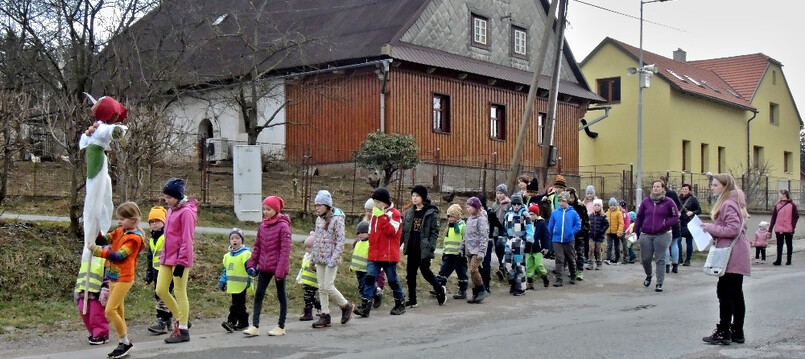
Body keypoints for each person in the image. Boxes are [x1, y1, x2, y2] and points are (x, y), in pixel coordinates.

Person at [88, 202, 145, 358]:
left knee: (110, 310)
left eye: (122, 219)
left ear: (133, 220)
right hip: (113, 277)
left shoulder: (134, 239)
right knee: (119, 310)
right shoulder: (120, 231)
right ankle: (125, 341)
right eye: (118, 218)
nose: (119, 222)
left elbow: (119, 256)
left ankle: (124, 342)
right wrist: (94, 230)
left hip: (124, 278)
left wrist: (97, 251)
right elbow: (105, 239)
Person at [701, 173, 751, 345]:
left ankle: (723, 332)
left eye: (715, 185)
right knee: (736, 293)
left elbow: (733, 229)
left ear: (724, 186)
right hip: (737, 252)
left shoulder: (728, 203)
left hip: (732, 254)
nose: (712, 188)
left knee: (725, 292)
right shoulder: (735, 202)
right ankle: (737, 331)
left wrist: (710, 228)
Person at [353, 187, 407, 317]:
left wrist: (382, 217)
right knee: (369, 278)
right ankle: (365, 306)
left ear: (385, 202)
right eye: (374, 202)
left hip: (388, 255)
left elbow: (391, 231)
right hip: (375, 254)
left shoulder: (394, 214)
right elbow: (371, 233)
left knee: (393, 280)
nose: (375, 205)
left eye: (378, 202)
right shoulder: (375, 216)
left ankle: (400, 303)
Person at [156, 178, 198, 344]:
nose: (167, 200)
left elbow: (187, 239)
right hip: (167, 258)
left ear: (178, 196)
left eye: (169, 198)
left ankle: (183, 330)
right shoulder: (171, 210)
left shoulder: (186, 212)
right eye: (165, 197)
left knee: (180, 292)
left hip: (180, 259)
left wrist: (182, 262)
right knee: (161, 290)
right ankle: (182, 319)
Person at [243, 196, 291, 337]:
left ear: (276, 210)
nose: (265, 212)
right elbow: (257, 247)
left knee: (281, 296)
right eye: (263, 209)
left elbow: (285, 251)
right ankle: (255, 326)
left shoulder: (283, 227)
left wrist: (280, 271)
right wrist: (252, 263)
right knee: (259, 295)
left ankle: (281, 326)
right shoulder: (262, 226)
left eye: (268, 209)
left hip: (278, 268)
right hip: (264, 267)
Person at [309, 190, 354, 328]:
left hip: (331, 259)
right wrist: (312, 259)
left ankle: (346, 305)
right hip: (320, 258)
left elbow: (341, 241)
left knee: (328, 286)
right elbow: (316, 240)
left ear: (327, 206)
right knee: (322, 287)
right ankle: (325, 314)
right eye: (316, 205)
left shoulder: (337, 219)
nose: (317, 208)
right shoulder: (318, 220)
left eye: (320, 205)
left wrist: (333, 258)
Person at [402, 185, 446, 307]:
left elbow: (434, 231)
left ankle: (439, 289)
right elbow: (405, 230)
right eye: (413, 196)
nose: (414, 198)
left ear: (423, 197)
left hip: (423, 248)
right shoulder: (410, 212)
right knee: (410, 274)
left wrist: (431, 246)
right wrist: (399, 243)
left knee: (425, 272)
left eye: (417, 196)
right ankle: (412, 299)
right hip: (412, 247)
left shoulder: (431, 212)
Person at [634, 180, 680, 292]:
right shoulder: (646, 201)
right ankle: (649, 274)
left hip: (662, 234)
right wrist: (636, 230)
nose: (655, 188)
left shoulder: (669, 202)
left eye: (658, 186)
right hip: (646, 233)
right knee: (645, 259)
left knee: (660, 259)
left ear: (663, 189)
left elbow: (675, 216)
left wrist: (665, 224)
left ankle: (659, 283)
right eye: (654, 186)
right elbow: (639, 217)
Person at [145, 206, 173, 335]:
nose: (154, 224)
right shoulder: (152, 239)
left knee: (163, 294)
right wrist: (149, 273)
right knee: (159, 294)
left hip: (168, 269)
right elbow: (150, 257)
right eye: (151, 221)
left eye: (157, 221)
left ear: (164, 222)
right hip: (157, 270)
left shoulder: (167, 236)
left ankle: (162, 320)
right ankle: (170, 320)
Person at [219, 228, 252, 332]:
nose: (234, 240)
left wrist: (252, 271)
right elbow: (226, 270)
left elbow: (250, 266)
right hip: (233, 285)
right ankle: (243, 322)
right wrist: (222, 281)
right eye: (232, 238)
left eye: (237, 238)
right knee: (238, 304)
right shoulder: (227, 256)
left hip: (243, 284)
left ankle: (232, 322)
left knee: (237, 304)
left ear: (242, 240)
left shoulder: (246, 253)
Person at [74, 251, 109, 345]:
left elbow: (109, 270)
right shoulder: (87, 252)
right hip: (84, 289)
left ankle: (101, 334)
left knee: (96, 313)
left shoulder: (106, 251)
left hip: (97, 290)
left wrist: (106, 287)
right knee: (83, 310)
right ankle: (93, 332)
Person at [436, 204, 469, 299]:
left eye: (452, 216)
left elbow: (466, 239)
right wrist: (444, 251)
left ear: (457, 216)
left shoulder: (462, 227)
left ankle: (462, 290)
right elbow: (446, 240)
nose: (449, 218)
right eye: (448, 216)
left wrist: (464, 251)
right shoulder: (448, 227)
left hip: (459, 255)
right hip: (449, 254)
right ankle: (439, 287)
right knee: (443, 271)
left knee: (461, 272)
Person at [547, 192, 580, 287]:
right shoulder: (555, 213)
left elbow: (578, 225)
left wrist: (571, 232)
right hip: (557, 240)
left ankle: (573, 276)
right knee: (559, 259)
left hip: (569, 240)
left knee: (571, 258)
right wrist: (550, 235)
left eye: (563, 201)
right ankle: (559, 279)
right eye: (560, 201)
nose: (561, 203)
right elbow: (550, 226)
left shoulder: (573, 213)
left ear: (567, 201)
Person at [502, 194, 532, 295]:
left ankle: (520, 288)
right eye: (514, 204)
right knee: (507, 264)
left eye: (518, 204)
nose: (516, 206)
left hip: (520, 241)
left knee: (519, 265)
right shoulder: (508, 214)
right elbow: (505, 227)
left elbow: (529, 228)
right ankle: (513, 282)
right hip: (509, 241)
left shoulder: (525, 214)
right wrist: (503, 238)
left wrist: (529, 242)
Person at [463, 197, 490, 303]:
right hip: (469, 249)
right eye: (467, 207)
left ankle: (481, 290)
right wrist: (462, 246)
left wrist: (482, 251)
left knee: (473, 269)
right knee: (472, 271)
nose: (467, 209)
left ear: (475, 207)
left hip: (477, 250)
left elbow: (484, 236)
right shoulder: (469, 219)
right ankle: (475, 293)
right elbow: (467, 235)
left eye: (469, 207)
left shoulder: (481, 219)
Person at [361, 199, 386, 307]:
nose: (368, 213)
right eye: (367, 211)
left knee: (378, 272)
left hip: (378, 253)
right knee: (367, 275)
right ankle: (369, 294)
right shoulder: (365, 223)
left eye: (370, 211)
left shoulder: (380, 220)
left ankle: (378, 291)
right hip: (367, 252)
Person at [769, 189, 799, 266]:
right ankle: (778, 260)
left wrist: (793, 225)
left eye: (780, 194)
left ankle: (789, 260)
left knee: (789, 244)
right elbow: (773, 218)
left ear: (784, 194)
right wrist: (770, 229)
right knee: (779, 245)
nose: (779, 195)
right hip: (779, 228)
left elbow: (796, 216)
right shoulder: (777, 205)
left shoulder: (792, 205)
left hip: (789, 228)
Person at [567, 188, 590, 281]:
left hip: (580, 234)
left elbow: (586, 220)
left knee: (580, 252)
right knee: (570, 253)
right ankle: (572, 269)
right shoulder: (565, 207)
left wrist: (585, 230)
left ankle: (580, 270)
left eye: (572, 197)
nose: (571, 199)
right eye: (569, 197)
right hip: (569, 235)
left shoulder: (581, 207)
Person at [297, 232, 321, 321]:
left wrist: (315, 268)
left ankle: (308, 313)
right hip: (307, 281)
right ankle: (319, 306)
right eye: (306, 247)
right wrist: (299, 278)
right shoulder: (306, 256)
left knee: (307, 297)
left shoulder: (316, 258)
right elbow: (303, 269)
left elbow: (319, 269)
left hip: (314, 282)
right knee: (310, 297)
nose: (307, 249)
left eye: (309, 247)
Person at [527, 204, 551, 288]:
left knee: (538, 265)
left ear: (537, 214)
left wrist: (546, 247)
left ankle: (544, 276)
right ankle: (530, 282)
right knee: (529, 266)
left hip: (538, 248)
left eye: (533, 214)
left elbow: (546, 236)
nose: (531, 216)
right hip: (528, 248)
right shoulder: (527, 223)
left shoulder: (542, 223)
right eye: (529, 214)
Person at [491, 184, 512, 280]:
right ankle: (501, 266)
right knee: (498, 250)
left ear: (505, 193)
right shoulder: (495, 205)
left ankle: (505, 268)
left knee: (504, 249)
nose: (499, 195)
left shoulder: (509, 204)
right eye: (498, 193)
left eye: (501, 193)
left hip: (504, 231)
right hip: (495, 231)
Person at [679, 184, 702, 266]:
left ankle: (688, 260)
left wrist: (692, 212)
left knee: (689, 242)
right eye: (683, 189)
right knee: (678, 242)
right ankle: (679, 258)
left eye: (686, 189)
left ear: (689, 190)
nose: (684, 190)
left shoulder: (693, 199)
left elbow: (699, 210)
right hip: (679, 222)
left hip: (689, 223)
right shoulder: (678, 199)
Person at [350, 222, 371, 306]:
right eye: (359, 233)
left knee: (365, 285)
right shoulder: (358, 243)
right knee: (361, 285)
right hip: (358, 269)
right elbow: (355, 255)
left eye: (363, 233)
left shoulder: (370, 243)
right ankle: (365, 299)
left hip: (366, 269)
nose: (360, 235)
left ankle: (366, 301)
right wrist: (351, 266)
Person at [664, 181, 683, 274]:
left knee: (666, 246)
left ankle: (667, 266)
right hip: (676, 224)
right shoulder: (677, 206)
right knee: (674, 244)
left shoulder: (666, 203)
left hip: (667, 224)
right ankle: (675, 265)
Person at [587, 199, 608, 270]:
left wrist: (602, 231)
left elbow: (606, 225)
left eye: (598, 205)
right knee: (591, 249)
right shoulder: (591, 216)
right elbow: (588, 224)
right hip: (592, 235)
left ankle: (599, 263)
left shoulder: (603, 216)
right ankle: (590, 263)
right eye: (595, 205)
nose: (597, 207)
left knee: (598, 250)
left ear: (601, 206)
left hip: (599, 236)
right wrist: (588, 230)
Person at [605, 198, 624, 265]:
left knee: (617, 246)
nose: (612, 206)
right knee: (609, 246)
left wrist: (619, 231)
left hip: (616, 232)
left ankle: (617, 259)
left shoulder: (618, 213)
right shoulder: (607, 213)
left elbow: (621, 223)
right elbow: (605, 222)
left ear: (616, 205)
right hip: (609, 232)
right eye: (611, 205)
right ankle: (608, 259)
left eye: (614, 205)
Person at [619, 200, 632, 265]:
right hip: (622, 230)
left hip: (624, 231)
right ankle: (625, 258)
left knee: (625, 246)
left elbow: (626, 224)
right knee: (624, 245)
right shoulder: (624, 213)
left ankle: (626, 258)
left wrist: (626, 231)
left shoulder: (624, 214)